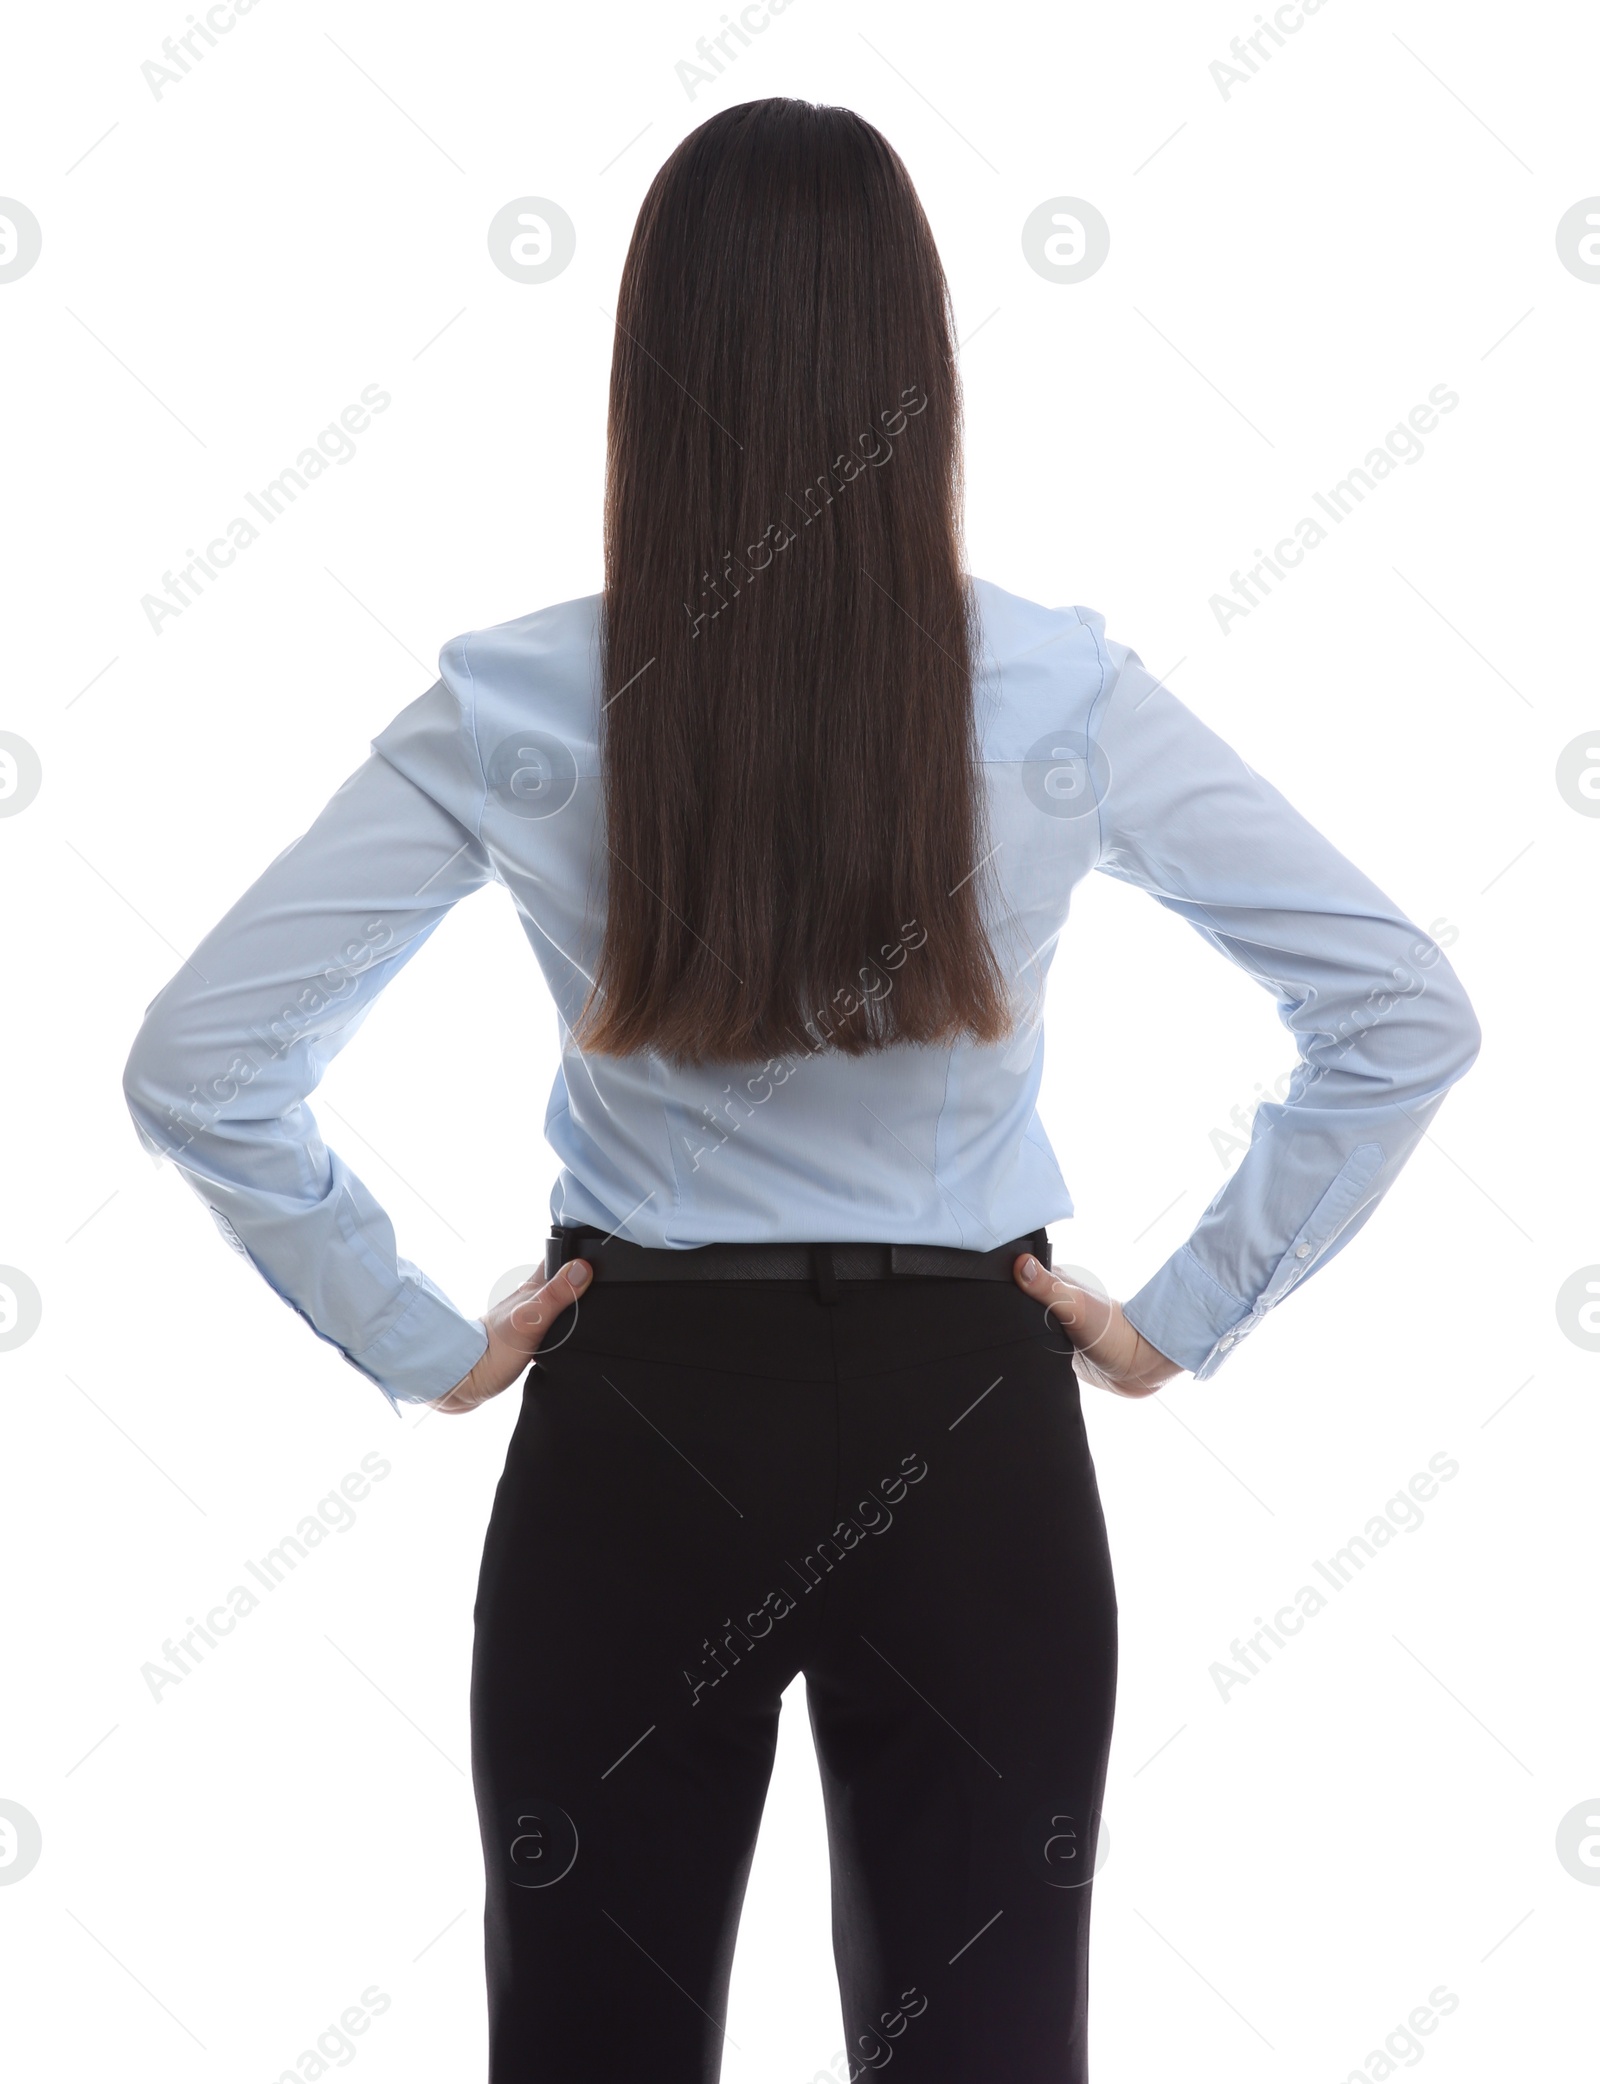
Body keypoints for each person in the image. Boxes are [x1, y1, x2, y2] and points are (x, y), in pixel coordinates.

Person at [121, 97, 1479, 2084]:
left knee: (591, 2044)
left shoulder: (513, 697)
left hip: (636, 1429)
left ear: (647, 373)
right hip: (968, 1425)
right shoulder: (1054, 690)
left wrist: (416, 1338)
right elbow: (1396, 1008)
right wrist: (1174, 1317)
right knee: (984, 2046)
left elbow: (200, 1060)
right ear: (915, 371)